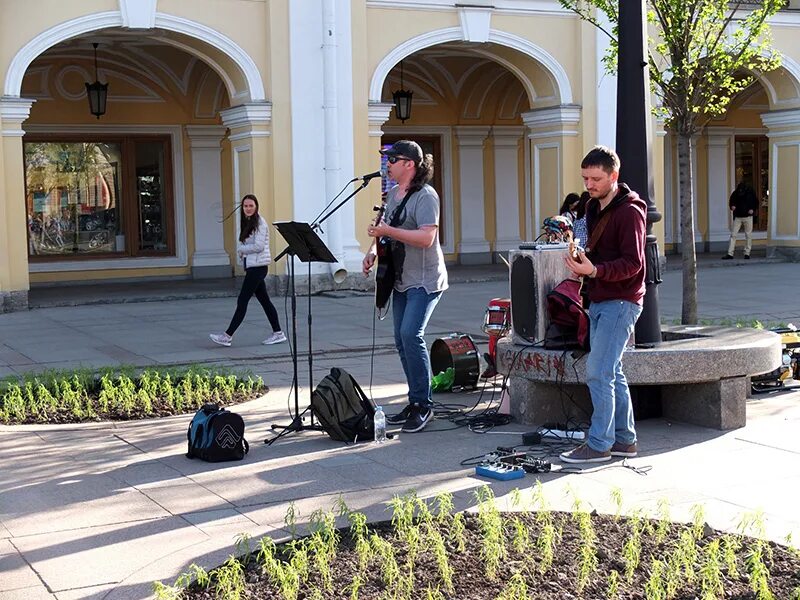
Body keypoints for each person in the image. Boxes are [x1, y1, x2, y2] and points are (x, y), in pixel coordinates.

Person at [560, 146, 646, 464]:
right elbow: (586, 240)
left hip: (621, 300)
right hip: (598, 297)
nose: (589, 185)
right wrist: (578, 253)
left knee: (599, 372)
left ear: (614, 176)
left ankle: (599, 445)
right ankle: (625, 440)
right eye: (585, 178)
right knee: (613, 372)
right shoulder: (590, 205)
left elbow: (634, 264)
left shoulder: (630, 211)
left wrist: (594, 270)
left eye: (596, 178)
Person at [362, 140, 448, 433]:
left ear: (410, 164)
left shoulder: (426, 196)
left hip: (424, 279)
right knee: (401, 339)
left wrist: (387, 231)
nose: (388, 164)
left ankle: (425, 406)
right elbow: (383, 232)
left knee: (412, 334)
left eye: (393, 159)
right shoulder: (392, 195)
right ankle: (414, 401)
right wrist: (372, 253)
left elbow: (426, 238)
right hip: (399, 278)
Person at [210, 194, 287, 347]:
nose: (248, 208)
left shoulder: (260, 223)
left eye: (251, 205)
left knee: (242, 300)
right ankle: (278, 333)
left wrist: (242, 249)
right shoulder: (248, 223)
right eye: (245, 206)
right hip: (254, 267)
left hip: (258, 268)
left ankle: (228, 335)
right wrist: (243, 252)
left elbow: (258, 246)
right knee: (265, 301)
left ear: (256, 206)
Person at [723, 181, 758, 260]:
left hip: (745, 217)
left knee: (741, 235)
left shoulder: (747, 193)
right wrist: (732, 206)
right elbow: (731, 201)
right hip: (740, 217)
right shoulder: (739, 193)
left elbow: (755, 202)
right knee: (739, 235)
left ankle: (743, 253)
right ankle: (739, 253)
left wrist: (753, 209)